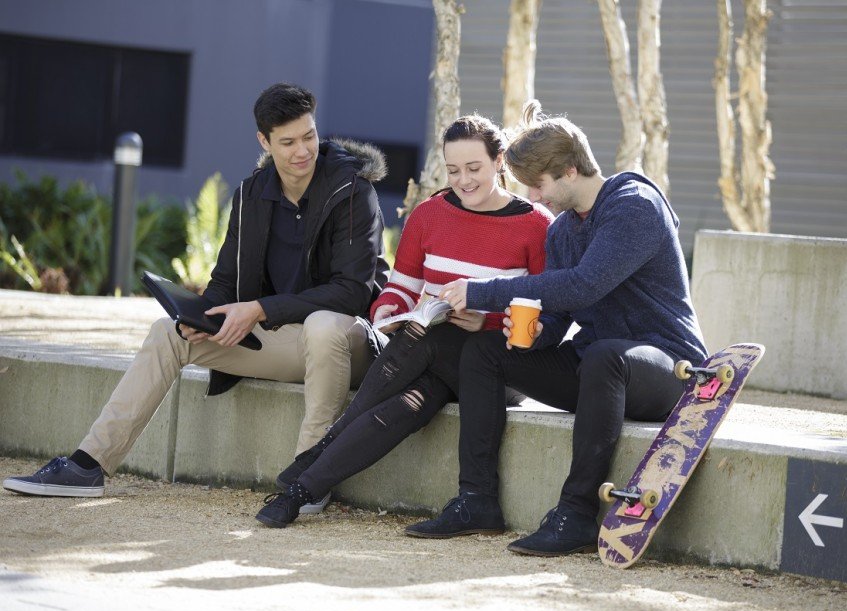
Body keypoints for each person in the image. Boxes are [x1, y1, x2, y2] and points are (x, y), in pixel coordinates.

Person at [3, 83, 390, 514]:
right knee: (167, 333)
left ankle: (310, 476)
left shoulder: (352, 190)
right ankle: (87, 464)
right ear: (264, 141)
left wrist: (260, 309)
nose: (303, 151)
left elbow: (351, 292)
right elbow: (225, 281)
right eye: (288, 142)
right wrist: (200, 316)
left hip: (348, 344)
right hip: (286, 344)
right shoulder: (251, 195)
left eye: (309, 136)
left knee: (323, 325)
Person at [404, 101, 708, 556]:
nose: (534, 196)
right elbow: (559, 316)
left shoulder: (634, 206)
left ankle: (576, 514)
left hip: (668, 367)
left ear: (569, 171)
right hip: (598, 369)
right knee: (485, 351)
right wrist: (531, 333)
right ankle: (476, 500)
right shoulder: (563, 231)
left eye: (539, 184)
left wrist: (483, 292)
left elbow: (584, 285)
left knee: (605, 355)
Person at [254, 114, 553, 528]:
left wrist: (485, 321)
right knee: (408, 404)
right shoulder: (429, 214)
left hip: (496, 368)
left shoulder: (536, 225)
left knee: (425, 339)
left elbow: (547, 311)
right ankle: (298, 494)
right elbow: (400, 288)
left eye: (474, 168)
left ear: (498, 161)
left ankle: (319, 452)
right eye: (453, 170)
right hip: (433, 363)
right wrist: (388, 314)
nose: (463, 181)